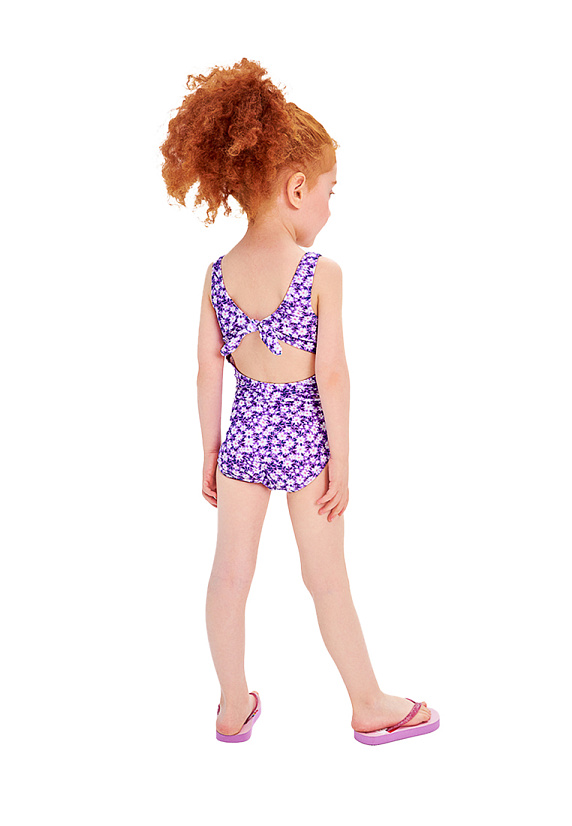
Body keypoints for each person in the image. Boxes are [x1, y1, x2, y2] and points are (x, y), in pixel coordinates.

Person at [160, 58, 439, 745]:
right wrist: (342, 459)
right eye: (329, 190)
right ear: (294, 188)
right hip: (308, 442)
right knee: (327, 578)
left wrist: (210, 449)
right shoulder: (321, 274)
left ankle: (232, 706)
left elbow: (205, 369)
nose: (330, 207)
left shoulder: (217, 274)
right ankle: (369, 704)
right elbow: (333, 376)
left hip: (244, 439)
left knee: (229, 577)